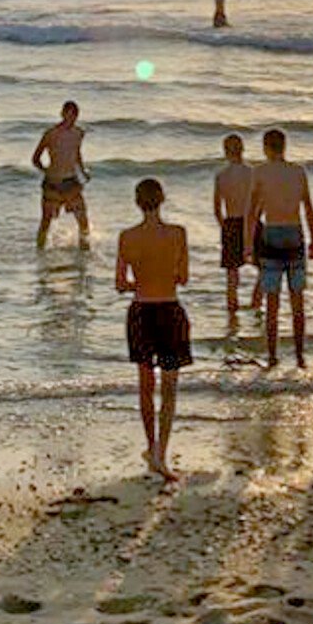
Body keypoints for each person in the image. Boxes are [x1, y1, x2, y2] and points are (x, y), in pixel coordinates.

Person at [116, 177, 191, 479]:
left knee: (146, 387)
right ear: (162, 200)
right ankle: (161, 452)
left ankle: (150, 446)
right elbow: (183, 277)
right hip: (170, 310)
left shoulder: (127, 237)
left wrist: (140, 281)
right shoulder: (178, 234)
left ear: (137, 202)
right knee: (169, 388)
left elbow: (120, 283)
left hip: (141, 312)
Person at [246, 128, 313, 368]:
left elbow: (252, 212)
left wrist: (248, 245)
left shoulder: (259, 172)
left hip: (272, 232)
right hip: (295, 232)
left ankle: (273, 355)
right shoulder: (298, 171)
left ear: (266, 148)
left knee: (272, 302)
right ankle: (299, 355)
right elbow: (308, 207)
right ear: (284, 147)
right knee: (297, 299)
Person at [32, 101, 90, 248]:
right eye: (68, 114)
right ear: (62, 114)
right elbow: (35, 158)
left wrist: (82, 171)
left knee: (83, 221)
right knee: (45, 222)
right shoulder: (50, 134)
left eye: (74, 115)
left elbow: (76, 155)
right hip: (53, 183)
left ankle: (84, 256)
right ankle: (39, 253)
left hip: (71, 182)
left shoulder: (78, 133)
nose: (71, 119)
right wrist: (46, 171)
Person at [214, 131, 255, 315]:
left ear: (225, 151)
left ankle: (232, 307)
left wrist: (223, 226)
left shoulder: (222, 176)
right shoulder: (252, 173)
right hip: (250, 220)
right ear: (243, 150)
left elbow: (217, 208)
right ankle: (256, 300)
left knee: (231, 272)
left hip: (231, 221)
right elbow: (258, 201)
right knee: (263, 265)